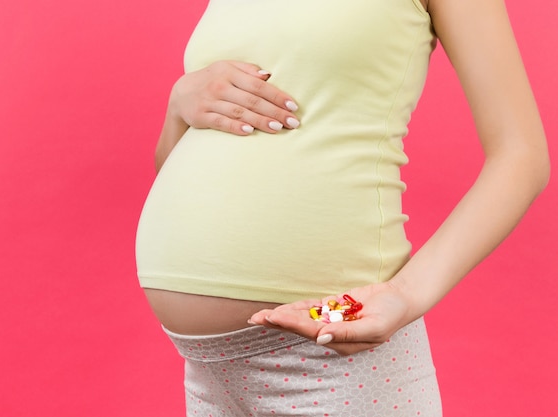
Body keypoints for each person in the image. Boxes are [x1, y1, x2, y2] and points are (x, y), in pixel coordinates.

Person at [136, 0, 550, 415]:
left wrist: (406, 294)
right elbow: (183, 171)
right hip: (210, 372)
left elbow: (523, 157)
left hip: (333, 348)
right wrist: (178, 107)